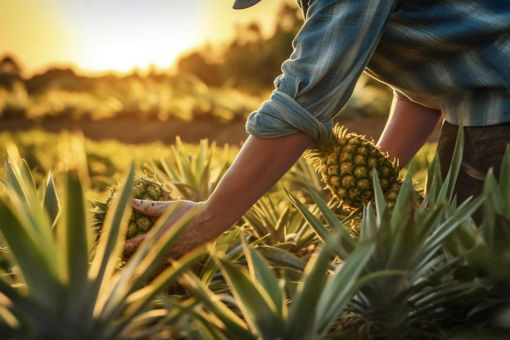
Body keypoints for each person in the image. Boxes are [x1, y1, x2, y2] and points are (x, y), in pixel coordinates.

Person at [124, 0, 510, 257]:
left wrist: (208, 220)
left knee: (479, 276)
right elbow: (425, 81)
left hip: (500, 105)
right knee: (453, 260)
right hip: (478, 109)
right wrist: (374, 182)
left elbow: (301, 101)